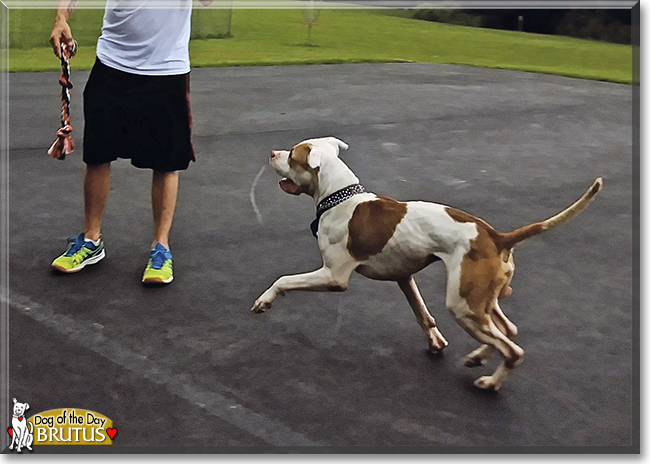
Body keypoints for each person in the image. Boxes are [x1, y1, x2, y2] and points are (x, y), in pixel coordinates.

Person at [49, 0, 196, 285]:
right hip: (112, 63)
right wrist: (61, 17)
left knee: (166, 162)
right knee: (97, 154)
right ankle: (92, 240)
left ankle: (161, 248)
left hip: (166, 69)